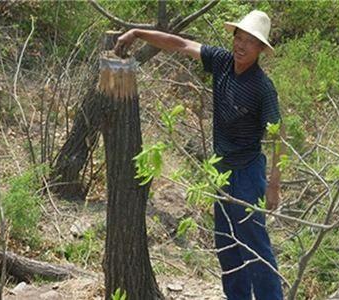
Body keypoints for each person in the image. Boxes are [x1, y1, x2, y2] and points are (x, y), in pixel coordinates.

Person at [115, 10, 284, 300]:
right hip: (221, 173)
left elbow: (278, 137)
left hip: (248, 173)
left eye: (250, 42)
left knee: (256, 249)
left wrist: (274, 185)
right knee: (227, 248)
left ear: (260, 49)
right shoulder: (221, 62)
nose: (241, 46)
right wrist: (138, 33)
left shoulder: (262, 88)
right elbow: (180, 44)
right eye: (238, 38)